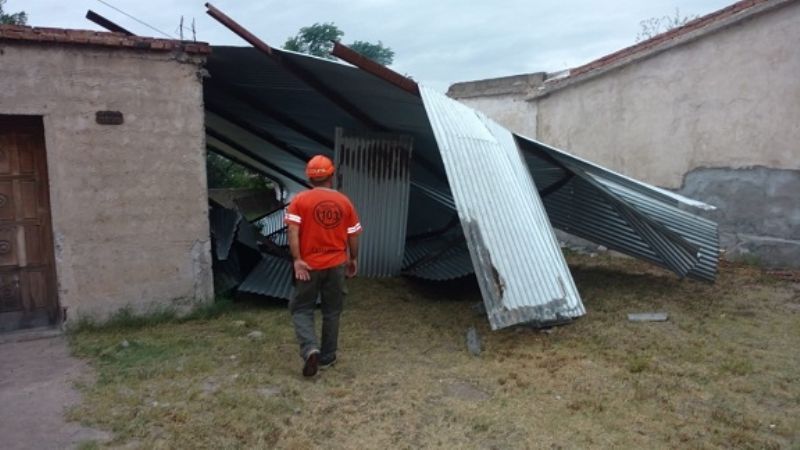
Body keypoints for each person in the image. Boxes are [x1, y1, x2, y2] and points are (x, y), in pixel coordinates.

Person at [284, 155, 362, 377]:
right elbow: (353, 234)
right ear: (331, 175)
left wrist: (297, 259)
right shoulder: (344, 202)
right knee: (332, 310)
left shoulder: (299, 200)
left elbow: (292, 231)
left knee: (301, 308)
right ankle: (327, 357)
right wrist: (353, 258)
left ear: (309, 176)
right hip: (336, 264)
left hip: (308, 265)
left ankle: (310, 348)